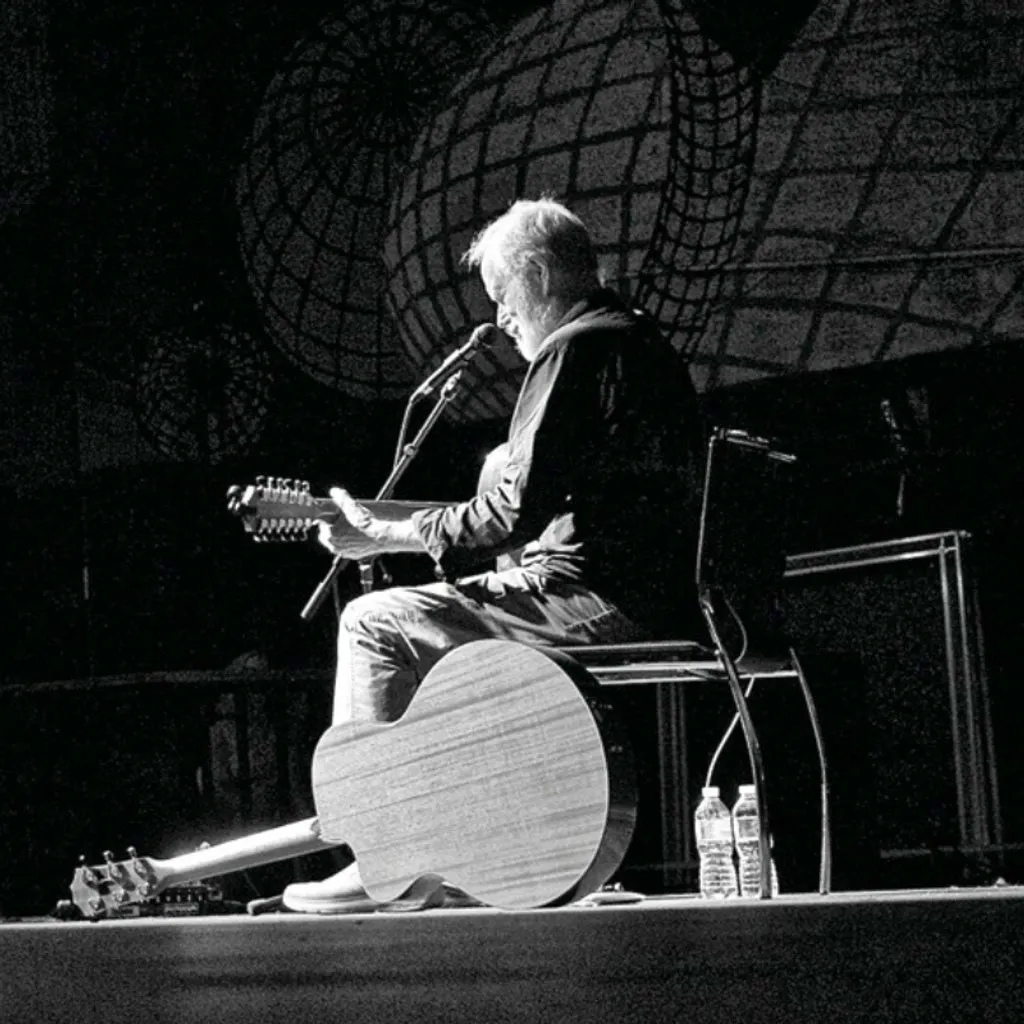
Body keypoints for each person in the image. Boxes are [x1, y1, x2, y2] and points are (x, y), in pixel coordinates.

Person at [282, 197, 706, 913]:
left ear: (538, 275)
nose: (502, 320)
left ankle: (380, 856)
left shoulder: (575, 348)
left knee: (373, 622)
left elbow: (509, 514)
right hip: (665, 592)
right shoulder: (637, 341)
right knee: (442, 638)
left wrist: (381, 534)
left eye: (504, 298)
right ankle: (459, 858)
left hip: (603, 599)